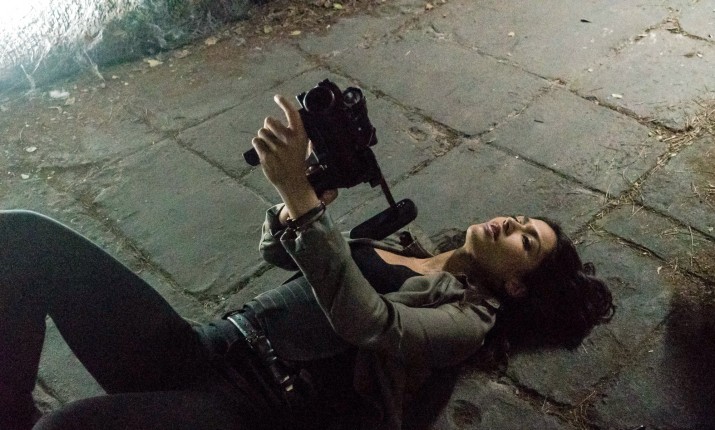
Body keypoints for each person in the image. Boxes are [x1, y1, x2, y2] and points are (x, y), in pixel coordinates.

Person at [0, 95, 615, 430]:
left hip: (252, 406)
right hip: (211, 345)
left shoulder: (468, 321)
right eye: (520, 219)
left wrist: (299, 196)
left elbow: (372, 322)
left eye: (526, 243)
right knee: (24, 238)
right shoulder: (411, 248)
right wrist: (296, 204)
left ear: (517, 286)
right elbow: (280, 253)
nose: (510, 224)